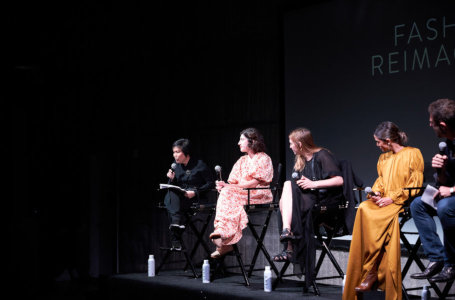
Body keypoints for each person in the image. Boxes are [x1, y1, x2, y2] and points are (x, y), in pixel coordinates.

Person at [343, 122, 424, 300]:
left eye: (379, 142)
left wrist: (393, 198)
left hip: (401, 202)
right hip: (384, 200)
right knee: (364, 207)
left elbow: (415, 183)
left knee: (374, 215)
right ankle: (371, 269)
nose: (377, 145)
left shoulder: (413, 153)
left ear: (387, 141)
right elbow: (381, 180)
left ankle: (372, 271)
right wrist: (377, 193)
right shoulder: (383, 158)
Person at [274, 128, 344, 291]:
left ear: (299, 144)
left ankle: (288, 243)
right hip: (307, 200)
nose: (290, 147)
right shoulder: (300, 160)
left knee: (287, 190)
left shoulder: (322, 155)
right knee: (287, 188)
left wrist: (314, 184)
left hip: (324, 202)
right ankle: (287, 233)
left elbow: (339, 180)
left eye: (291, 144)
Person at [209, 128, 274, 258]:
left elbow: (253, 184)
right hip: (242, 193)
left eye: (242, 139)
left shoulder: (263, 158)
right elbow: (232, 182)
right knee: (226, 192)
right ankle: (223, 235)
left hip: (258, 194)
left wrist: (230, 187)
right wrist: (223, 186)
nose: (239, 143)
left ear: (252, 141)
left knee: (228, 193)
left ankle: (224, 236)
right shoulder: (242, 160)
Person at [410, 98, 455, 283]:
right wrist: (441, 171)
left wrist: (451, 190)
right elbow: (445, 181)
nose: (430, 126)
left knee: (445, 207)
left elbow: (450, 188)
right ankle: (436, 258)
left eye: (432, 124)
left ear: (442, 125)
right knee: (418, 204)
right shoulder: (448, 144)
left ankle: (451, 263)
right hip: (450, 193)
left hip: (452, 197)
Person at [164, 138, 215, 250]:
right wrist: (171, 180)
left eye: (177, 152)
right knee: (170, 194)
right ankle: (177, 225)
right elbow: (173, 186)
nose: (174, 155)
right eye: (174, 152)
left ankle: (175, 234)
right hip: (180, 197)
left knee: (172, 204)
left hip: (195, 198)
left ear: (186, 153)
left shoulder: (199, 165)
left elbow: (211, 184)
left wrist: (195, 192)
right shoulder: (175, 166)